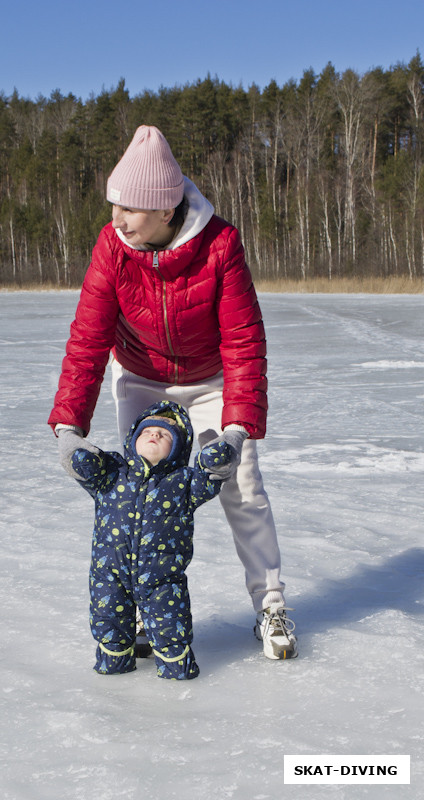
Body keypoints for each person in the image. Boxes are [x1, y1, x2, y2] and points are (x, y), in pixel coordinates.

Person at [49, 124, 297, 661]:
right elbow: (88, 337)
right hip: (141, 379)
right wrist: (69, 427)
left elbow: (243, 340)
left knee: (242, 488)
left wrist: (236, 427)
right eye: (114, 205)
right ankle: (138, 610)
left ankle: (270, 605)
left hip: (211, 383)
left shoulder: (220, 246)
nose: (117, 219)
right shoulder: (112, 248)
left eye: (130, 209)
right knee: (133, 494)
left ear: (166, 210)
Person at [62, 399, 234, 679]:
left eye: (164, 435)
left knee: (171, 629)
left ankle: (177, 671)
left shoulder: (184, 482)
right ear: (132, 441)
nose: (154, 435)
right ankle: (113, 669)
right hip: (109, 575)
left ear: (177, 449)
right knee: (109, 626)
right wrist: (81, 454)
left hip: (162, 580)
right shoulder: (112, 473)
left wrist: (216, 458)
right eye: (147, 432)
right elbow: (87, 467)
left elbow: (210, 477)